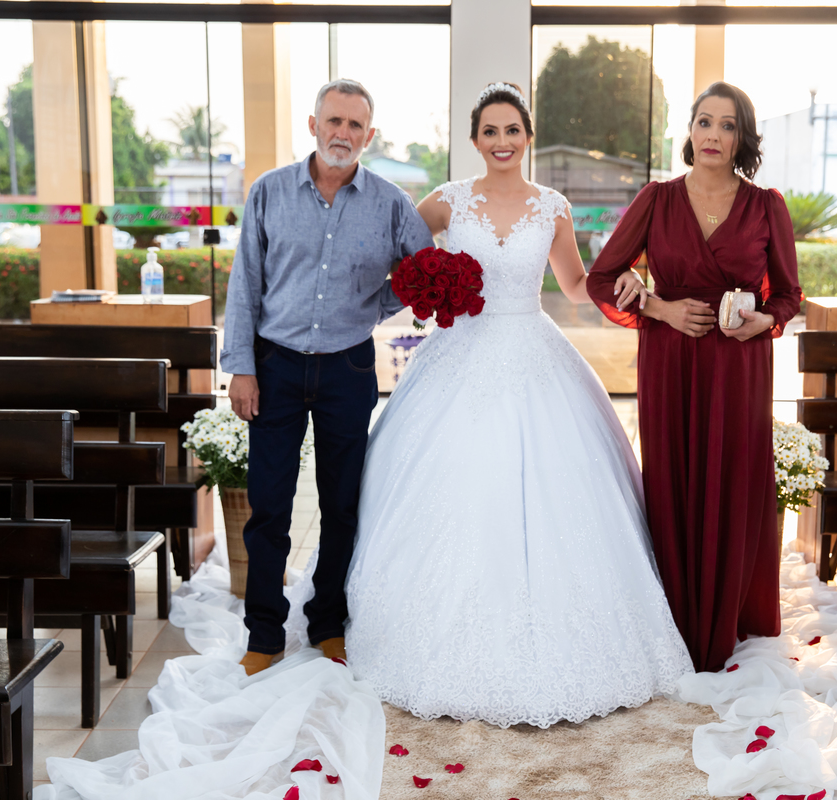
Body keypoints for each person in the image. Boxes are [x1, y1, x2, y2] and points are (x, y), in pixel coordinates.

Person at [342, 82, 694, 728]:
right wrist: (428, 287)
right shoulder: (446, 200)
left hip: (534, 346)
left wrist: (631, 283)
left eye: (512, 131)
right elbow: (399, 258)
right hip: (458, 353)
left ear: (528, 138)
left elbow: (575, 284)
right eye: (490, 131)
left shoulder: (551, 207)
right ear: (474, 140)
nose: (501, 142)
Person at [586, 81, 803, 673]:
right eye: (704, 121)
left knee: (731, 479)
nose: (713, 135)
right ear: (689, 130)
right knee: (674, 477)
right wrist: (660, 308)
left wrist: (762, 321)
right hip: (670, 360)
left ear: (742, 138)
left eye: (727, 125)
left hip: (737, 366)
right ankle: (673, 616)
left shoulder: (767, 207)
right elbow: (601, 279)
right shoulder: (656, 200)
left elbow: (788, 294)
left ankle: (726, 615)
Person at [221, 79, 434, 676]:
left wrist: (376, 306)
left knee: (342, 505)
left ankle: (327, 623)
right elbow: (245, 284)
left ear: (370, 135)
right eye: (334, 121)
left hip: (348, 366)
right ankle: (264, 633)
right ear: (313, 125)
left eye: (355, 124)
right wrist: (241, 367)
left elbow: (424, 273)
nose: (343, 133)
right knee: (269, 505)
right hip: (275, 365)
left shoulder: (391, 203)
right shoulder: (269, 192)